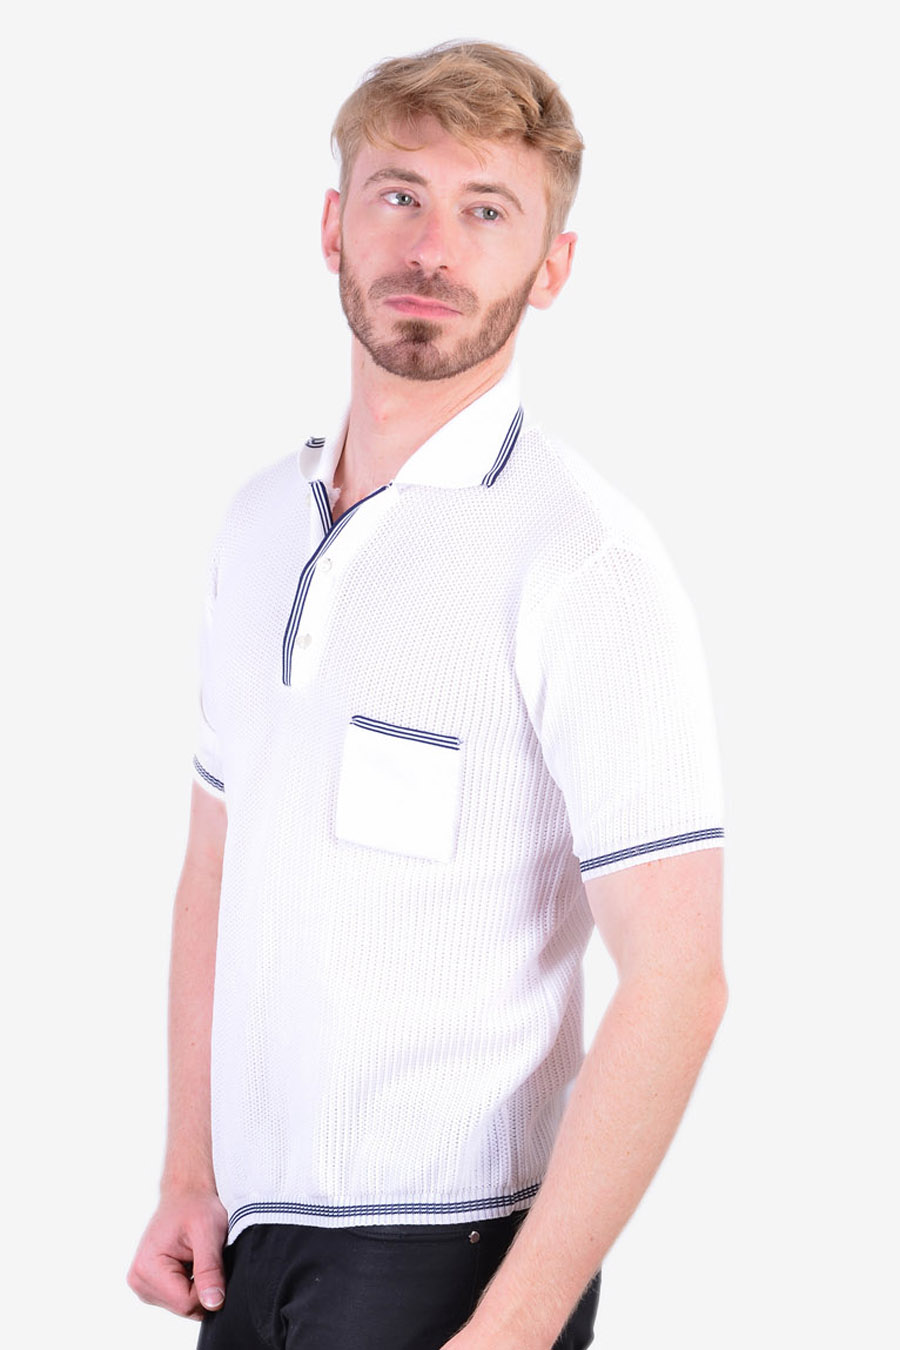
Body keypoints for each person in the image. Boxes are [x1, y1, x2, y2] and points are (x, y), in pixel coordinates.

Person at [128, 40, 727, 1350]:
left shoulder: (583, 561)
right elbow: (216, 864)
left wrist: (515, 1325)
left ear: (553, 266)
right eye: (398, 195)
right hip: (249, 1247)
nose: (432, 247)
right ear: (332, 227)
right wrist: (189, 1166)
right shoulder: (257, 526)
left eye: (487, 209)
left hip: (449, 1262)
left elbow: (679, 978)